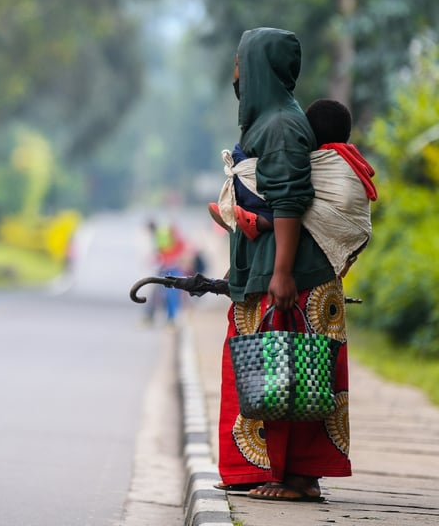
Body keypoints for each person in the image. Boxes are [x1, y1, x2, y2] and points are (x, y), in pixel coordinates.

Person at [217, 27, 352, 502]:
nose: (235, 72)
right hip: (276, 267)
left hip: (293, 274)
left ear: (256, 67)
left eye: (240, 62)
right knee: (275, 369)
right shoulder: (272, 121)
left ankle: (291, 477)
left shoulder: (278, 125)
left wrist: (281, 273)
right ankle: (279, 473)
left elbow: (290, 202)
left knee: (287, 370)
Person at [209, 97, 377, 279]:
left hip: (303, 267)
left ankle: (258, 220)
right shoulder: (348, 159)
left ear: (310, 134)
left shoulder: (320, 159)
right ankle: (242, 247)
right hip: (354, 236)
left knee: (286, 200)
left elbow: (291, 193)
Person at [145, 219, 189, 324]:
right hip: (169, 267)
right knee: (167, 294)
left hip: (171, 268)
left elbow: (165, 251)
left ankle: (170, 318)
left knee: (170, 294)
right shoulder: (163, 233)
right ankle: (170, 318)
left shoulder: (161, 234)